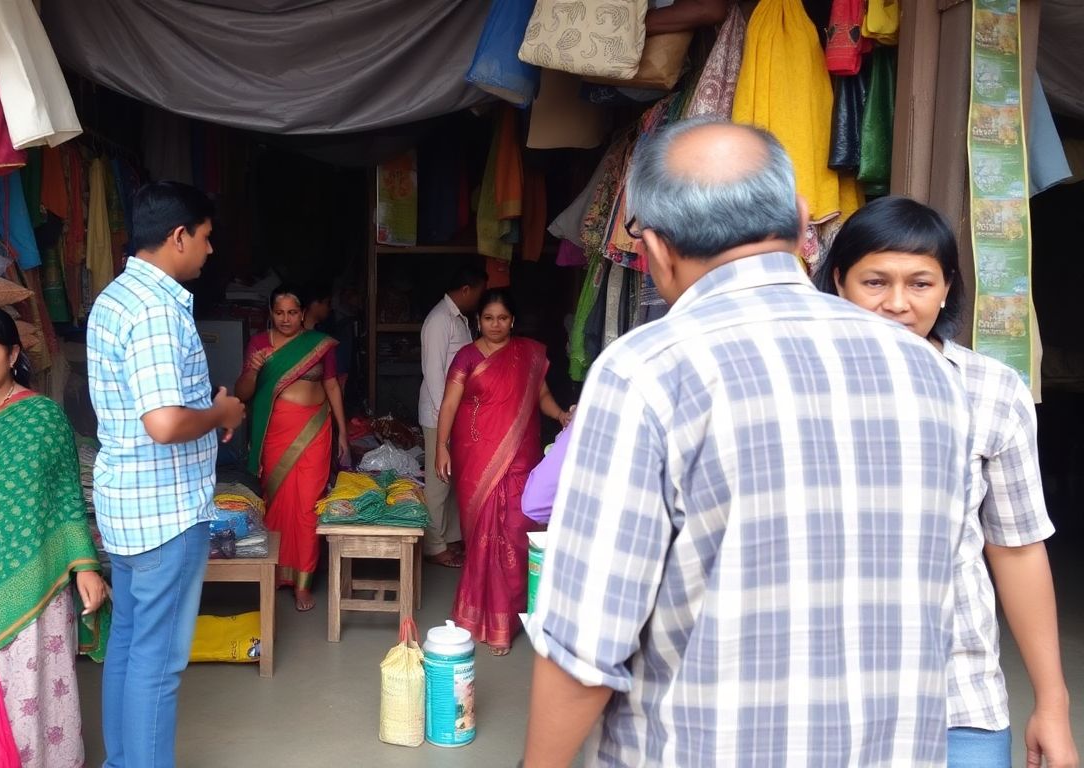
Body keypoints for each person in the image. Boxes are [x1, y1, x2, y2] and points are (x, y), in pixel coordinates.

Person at [524, 119, 973, 767]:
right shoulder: (927, 370)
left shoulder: (647, 371)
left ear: (654, 248)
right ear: (800, 222)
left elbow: (586, 647)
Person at [818, 197, 1077, 768]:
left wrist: (1052, 703)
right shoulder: (795, 385)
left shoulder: (991, 390)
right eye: (875, 281)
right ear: (838, 281)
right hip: (815, 700)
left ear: (947, 287)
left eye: (919, 283)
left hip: (955, 694)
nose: (897, 304)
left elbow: (1017, 548)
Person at [86, 181, 246, 768]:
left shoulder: (115, 297)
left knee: (128, 645)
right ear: (179, 236)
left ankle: (122, 761)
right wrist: (223, 413)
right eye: (205, 239)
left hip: (128, 507)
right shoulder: (156, 310)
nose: (209, 251)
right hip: (164, 511)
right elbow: (164, 421)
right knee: (159, 664)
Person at [0, 305, 107, 768]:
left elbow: (66, 495)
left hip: (34, 575)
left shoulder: (41, 417)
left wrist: (86, 566)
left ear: (12, 354)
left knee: (28, 689)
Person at [434, 289, 571, 655]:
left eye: (503, 318)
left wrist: (559, 415)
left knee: (515, 531)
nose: (496, 325)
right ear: (479, 320)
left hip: (519, 456)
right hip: (475, 454)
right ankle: (479, 615)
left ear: (513, 320)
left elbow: (540, 395)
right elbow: (449, 404)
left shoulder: (528, 353)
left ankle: (505, 620)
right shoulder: (466, 356)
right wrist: (440, 446)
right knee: (480, 533)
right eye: (489, 318)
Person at [235, 285, 350, 611]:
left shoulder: (319, 345)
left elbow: (331, 385)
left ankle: (303, 582)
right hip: (276, 433)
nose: (286, 319)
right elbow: (242, 392)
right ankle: (273, 575)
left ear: (303, 314)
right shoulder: (259, 344)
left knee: (307, 505)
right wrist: (255, 368)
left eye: (292, 312)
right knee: (277, 503)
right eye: (279, 312)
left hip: (315, 429)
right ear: (270, 313)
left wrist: (342, 431)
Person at [419, 264, 487, 569]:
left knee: (453, 479)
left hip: (455, 413)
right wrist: (442, 421)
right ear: (466, 290)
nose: (481, 299)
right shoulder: (439, 320)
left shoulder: (460, 319)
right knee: (438, 481)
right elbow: (433, 373)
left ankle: (450, 537)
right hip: (439, 414)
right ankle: (434, 546)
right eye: (480, 292)